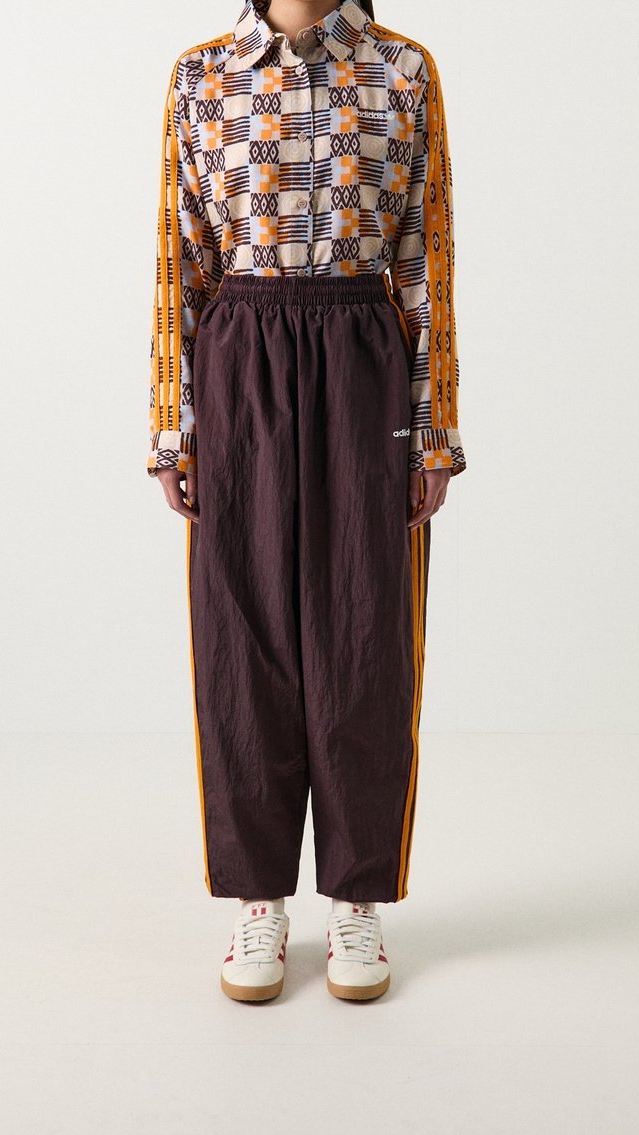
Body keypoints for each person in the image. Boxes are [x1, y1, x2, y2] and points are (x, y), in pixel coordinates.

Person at [147, 0, 466, 1003]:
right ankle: (258, 900)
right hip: (240, 358)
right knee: (240, 639)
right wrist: (173, 424)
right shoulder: (201, 74)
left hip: (363, 359)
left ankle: (356, 898)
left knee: (363, 633)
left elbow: (423, 258)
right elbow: (180, 258)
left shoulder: (402, 70)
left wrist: (434, 428)